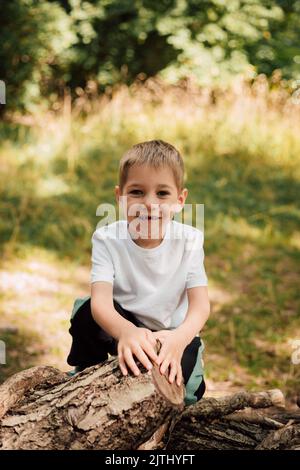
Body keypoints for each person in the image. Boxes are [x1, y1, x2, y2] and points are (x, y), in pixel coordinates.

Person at [67, 139, 210, 406]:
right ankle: (85, 374)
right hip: (125, 323)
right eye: (137, 192)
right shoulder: (107, 239)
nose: (149, 203)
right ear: (120, 197)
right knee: (85, 313)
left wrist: (179, 340)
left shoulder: (189, 241)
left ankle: (191, 379)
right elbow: (100, 302)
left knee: (185, 395)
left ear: (180, 200)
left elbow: (200, 307)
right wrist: (125, 331)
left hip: (171, 332)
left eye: (162, 194)